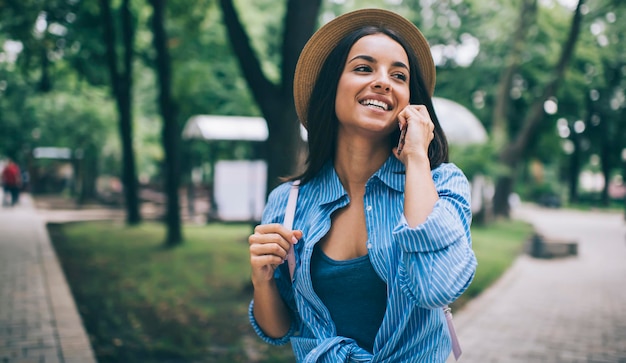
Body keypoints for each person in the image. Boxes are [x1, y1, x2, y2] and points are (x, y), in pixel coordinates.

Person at [248, 8, 477, 362]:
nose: (383, 81)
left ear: (410, 101)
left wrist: (417, 155)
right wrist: (261, 277)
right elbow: (280, 329)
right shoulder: (288, 202)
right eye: (364, 68)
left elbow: (437, 287)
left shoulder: (443, 184)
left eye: (398, 76)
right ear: (332, 87)